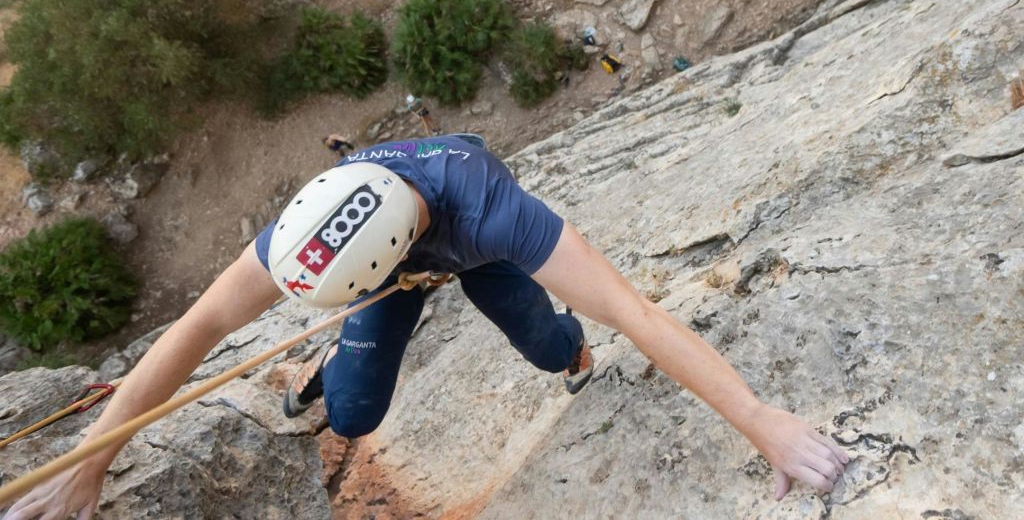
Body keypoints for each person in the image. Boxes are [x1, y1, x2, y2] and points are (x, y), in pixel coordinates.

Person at [2, 133, 847, 520]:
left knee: (546, 342)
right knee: (353, 409)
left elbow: (638, 312)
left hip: (465, 252)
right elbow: (194, 330)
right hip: (384, 269)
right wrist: (91, 459)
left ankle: (568, 350)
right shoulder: (315, 223)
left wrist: (759, 419)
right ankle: (333, 361)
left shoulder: (496, 214)